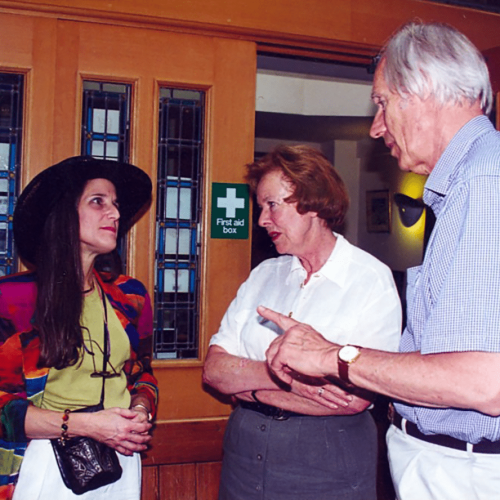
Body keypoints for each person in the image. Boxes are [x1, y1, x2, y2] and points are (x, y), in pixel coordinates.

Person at [263, 21, 500, 500]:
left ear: (424, 88)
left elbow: (484, 381)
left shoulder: (483, 182)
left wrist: (332, 357)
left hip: (464, 470)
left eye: (382, 102)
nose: (376, 126)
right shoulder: (468, 185)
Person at [203, 145, 402, 500]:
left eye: (272, 205)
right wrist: (289, 379)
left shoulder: (369, 278)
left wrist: (248, 384)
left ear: (311, 202)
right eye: (260, 207)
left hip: (326, 460)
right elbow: (215, 371)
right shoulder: (264, 275)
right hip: (244, 455)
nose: (262, 220)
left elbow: (353, 398)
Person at [0, 156, 158, 500]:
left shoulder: (130, 297)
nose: (115, 214)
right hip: (43, 461)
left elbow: (142, 373)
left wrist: (140, 410)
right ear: (63, 215)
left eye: (115, 204)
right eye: (98, 201)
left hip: (120, 455)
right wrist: (88, 425)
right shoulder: (13, 299)